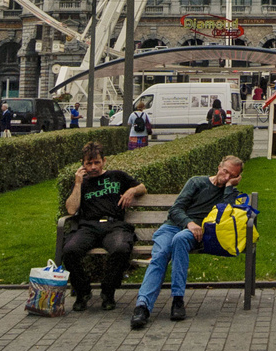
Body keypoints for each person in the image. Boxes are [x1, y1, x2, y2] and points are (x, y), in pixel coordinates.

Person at [130, 156, 244, 328]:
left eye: (232, 175)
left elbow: (224, 214)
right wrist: (189, 223)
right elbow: (175, 209)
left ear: (237, 178)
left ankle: (177, 300)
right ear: (219, 166)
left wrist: (228, 188)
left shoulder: (229, 193)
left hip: (199, 234)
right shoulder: (196, 182)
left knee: (181, 239)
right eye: (225, 171)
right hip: (174, 227)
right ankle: (142, 307)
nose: (226, 177)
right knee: (160, 254)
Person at [62, 141, 147, 311]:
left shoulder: (117, 176)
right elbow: (71, 209)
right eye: (89, 163)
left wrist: (131, 191)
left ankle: (108, 291)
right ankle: (82, 291)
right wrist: (78, 183)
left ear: (104, 161)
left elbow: (142, 187)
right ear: (83, 163)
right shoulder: (82, 182)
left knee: (121, 249)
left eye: (97, 163)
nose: (93, 167)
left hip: (114, 225)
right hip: (89, 227)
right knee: (70, 250)